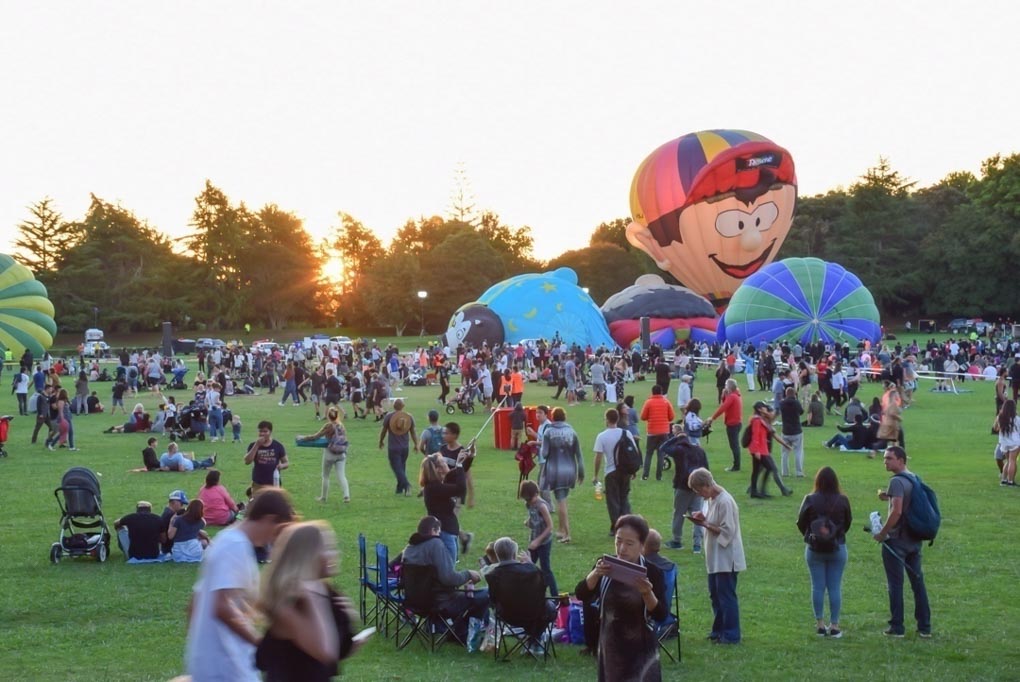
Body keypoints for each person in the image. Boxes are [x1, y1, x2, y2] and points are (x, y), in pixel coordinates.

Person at [185, 489, 295, 682]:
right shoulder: (234, 546)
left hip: (213, 664)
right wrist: (261, 645)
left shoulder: (225, 539)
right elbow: (222, 606)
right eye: (278, 531)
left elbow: (195, 603)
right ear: (269, 519)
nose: (275, 539)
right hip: (228, 666)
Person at [255, 521, 360, 681]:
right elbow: (325, 652)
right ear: (309, 555)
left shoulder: (324, 592)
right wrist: (314, 600)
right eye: (328, 548)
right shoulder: (289, 604)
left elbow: (335, 654)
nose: (334, 554)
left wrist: (348, 617)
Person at [575, 514, 668, 680]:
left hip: (641, 649)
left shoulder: (652, 572)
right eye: (618, 541)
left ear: (642, 545)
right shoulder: (605, 565)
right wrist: (595, 574)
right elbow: (582, 594)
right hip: (610, 647)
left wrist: (647, 593)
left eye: (629, 543)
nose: (622, 548)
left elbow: (660, 614)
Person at [399, 515, 490, 645]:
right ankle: (463, 633)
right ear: (433, 530)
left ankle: (453, 630)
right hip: (438, 602)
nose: (440, 534)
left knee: (470, 595)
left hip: (413, 601)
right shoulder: (435, 544)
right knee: (485, 594)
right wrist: (468, 574)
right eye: (439, 531)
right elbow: (448, 578)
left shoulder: (409, 549)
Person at [873, 446, 931, 638]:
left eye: (889, 458)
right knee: (917, 582)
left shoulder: (897, 481)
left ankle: (897, 627)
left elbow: (896, 511)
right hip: (914, 539)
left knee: (895, 584)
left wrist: (882, 533)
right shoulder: (913, 477)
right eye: (884, 459)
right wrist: (887, 497)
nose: (885, 462)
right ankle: (924, 626)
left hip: (897, 540)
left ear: (901, 460)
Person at [688, 467, 746, 645]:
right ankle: (718, 630)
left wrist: (704, 524)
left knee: (726, 596)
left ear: (707, 485)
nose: (698, 494)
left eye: (698, 490)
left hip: (727, 558)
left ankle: (731, 634)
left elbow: (728, 531)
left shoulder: (725, 501)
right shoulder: (710, 500)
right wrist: (701, 516)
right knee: (715, 594)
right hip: (714, 557)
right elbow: (710, 518)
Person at [796, 466, 853, 637]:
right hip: (838, 547)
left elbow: (800, 522)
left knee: (817, 586)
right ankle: (834, 625)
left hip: (814, 548)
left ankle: (820, 624)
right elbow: (848, 522)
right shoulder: (843, 500)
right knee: (835, 587)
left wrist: (812, 535)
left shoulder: (810, 499)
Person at [485, 535, 558, 638]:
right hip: (536, 614)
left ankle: (532, 639)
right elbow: (543, 589)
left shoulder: (492, 575)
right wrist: (531, 564)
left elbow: (493, 600)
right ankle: (534, 640)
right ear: (514, 554)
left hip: (507, 616)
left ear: (497, 555)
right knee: (550, 607)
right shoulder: (532, 570)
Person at [539, 407, 584, 544]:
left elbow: (544, 453)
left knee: (561, 501)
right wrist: (581, 471)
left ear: (552, 417)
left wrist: (541, 446)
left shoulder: (548, 432)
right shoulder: (572, 431)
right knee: (562, 498)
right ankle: (560, 529)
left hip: (555, 470)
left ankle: (567, 534)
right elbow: (579, 454)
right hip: (570, 470)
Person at [662, 424, 708, 552]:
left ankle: (677, 540)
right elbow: (707, 469)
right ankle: (697, 545)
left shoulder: (679, 450)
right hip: (698, 487)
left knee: (679, 513)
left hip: (682, 486)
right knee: (697, 514)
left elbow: (663, 448)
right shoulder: (699, 450)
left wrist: (676, 437)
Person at [592, 408, 634, 535]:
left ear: (607, 419)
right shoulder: (626, 433)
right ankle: (628, 524)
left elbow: (598, 457)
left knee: (613, 500)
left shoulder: (602, 436)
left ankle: (617, 526)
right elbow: (633, 452)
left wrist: (595, 474)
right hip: (626, 470)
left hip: (611, 471)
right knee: (624, 497)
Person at [419, 454, 468, 563]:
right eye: (444, 462)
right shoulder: (435, 488)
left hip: (448, 533)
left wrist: (469, 456)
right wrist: (459, 464)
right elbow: (461, 489)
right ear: (438, 469)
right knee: (448, 569)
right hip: (445, 534)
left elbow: (459, 473)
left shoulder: (437, 485)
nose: (447, 464)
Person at [297, 407, 350, 503]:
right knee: (341, 475)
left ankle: (323, 497)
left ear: (328, 416)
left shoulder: (328, 426)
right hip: (341, 454)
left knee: (325, 476)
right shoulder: (341, 426)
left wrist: (302, 438)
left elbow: (315, 436)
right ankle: (346, 495)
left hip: (330, 454)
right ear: (338, 415)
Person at [519, 479, 557, 596]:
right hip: (534, 540)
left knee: (546, 569)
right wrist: (529, 522)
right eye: (526, 499)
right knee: (527, 566)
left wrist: (538, 541)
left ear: (536, 494)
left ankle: (554, 596)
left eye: (530, 499)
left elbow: (550, 526)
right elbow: (533, 516)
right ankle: (528, 592)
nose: (528, 502)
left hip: (544, 542)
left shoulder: (542, 506)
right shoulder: (529, 504)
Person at [748, 401, 793, 498]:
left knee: (757, 470)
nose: (765, 409)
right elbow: (755, 436)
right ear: (760, 409)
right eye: (764, 407)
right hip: (760, 450)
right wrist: (756, 451)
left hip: (761, 450)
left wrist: (785, 445)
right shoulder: (757, 420)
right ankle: (760, 491)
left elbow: (772, 430)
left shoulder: (761, 420)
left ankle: (755, 491)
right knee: (771, 468)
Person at [378, 398, 417, 496]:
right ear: (403, 407)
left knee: (396, 467)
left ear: (394, 406)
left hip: (393, 447)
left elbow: (384, 430)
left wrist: (381, 441)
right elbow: (413, 432)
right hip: (405, 447)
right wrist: (416, 444)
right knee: (401, 467)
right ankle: (399, 489)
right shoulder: (409, 417)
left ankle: (406, 485)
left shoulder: (389, 416)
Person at [639, 384, 675, 481]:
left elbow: (642, 417)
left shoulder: (648, 402)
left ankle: (645, 475)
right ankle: (659, 476)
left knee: (649, 454)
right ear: (661, 392)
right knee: (661, 454)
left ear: (652, 392)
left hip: (652, 431)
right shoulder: (666, 402)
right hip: (664, 431)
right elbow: (672, 417)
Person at [705, 379, 743, 472]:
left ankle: (736, 466)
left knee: (734, 446)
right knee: (735, 445)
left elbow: (723, 407)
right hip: (736, 423)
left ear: (729, 387)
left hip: (732, 424)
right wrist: (724, 395)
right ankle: (736, 465)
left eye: (726, 385)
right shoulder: (735, 395)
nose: (725, 387)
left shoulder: (732, 397)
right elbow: (725, 402)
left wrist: (712, 418)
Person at [244, 420, 289, 497]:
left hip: (273, 483)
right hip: (258, 483)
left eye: (265, 431)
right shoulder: (253, 445)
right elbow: (247, 461)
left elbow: (286, 463)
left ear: (270, 432)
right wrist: (257, 445)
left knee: (274, 505)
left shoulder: (277, 446)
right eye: (260, 431)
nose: (262, 434)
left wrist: (281, 466)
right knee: (257, 505)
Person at [168, 498, 209, 562]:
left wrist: (171, 522)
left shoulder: (178, 519)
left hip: (178, 552)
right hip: (195, 552)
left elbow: (170, 536)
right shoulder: (202, 521)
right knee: (204, 541)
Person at [779, 387, 806, 478]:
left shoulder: (782, 403)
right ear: (794, 394)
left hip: (786, 431)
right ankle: (799, 472)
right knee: (798, 452)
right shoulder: (796, 403)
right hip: (796, 430)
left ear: (786, 394)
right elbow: (801, 412)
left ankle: (785, 472)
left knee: (784, 453)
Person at [994, 399, 1020, 486]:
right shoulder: (1016, 419)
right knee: (1012, 461)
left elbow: (995, 428)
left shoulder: (1000, 417)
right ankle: (1010, 481)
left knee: (1008, 461)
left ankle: (1004, 480)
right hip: (1014, 442)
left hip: (1004, 442)